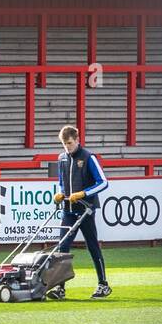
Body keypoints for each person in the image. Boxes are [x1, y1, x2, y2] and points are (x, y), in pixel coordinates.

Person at [50, 125, 111, 299]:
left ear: (77, 140)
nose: (67, 147)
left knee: (92, 246)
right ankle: (60, 288)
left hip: (86, 210)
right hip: (68, 210)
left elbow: (103, 183)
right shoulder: (61, 158)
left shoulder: (88, 157)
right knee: (62, 247)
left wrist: (84, 193)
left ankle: (103, 284)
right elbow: (62, 181)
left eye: (69, 143)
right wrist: (59, 194)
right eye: (64, 144)